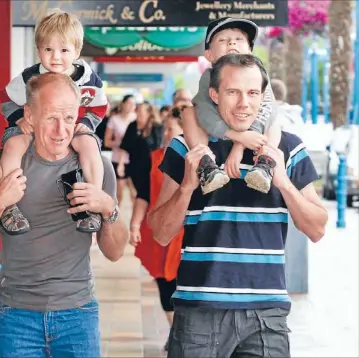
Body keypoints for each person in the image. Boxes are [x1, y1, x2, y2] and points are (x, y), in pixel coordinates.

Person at [148, 54, 328, 358]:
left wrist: (283, 182)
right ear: (215, 95)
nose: (244, 102)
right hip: (198, 313)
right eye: (233, 92)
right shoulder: (187, 147)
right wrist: (187, 187)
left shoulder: (286, 147)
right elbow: (160, 232)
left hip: (266, 315)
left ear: (264, 98)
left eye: (253, 92)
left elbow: (317, 227)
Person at [0, 73, 128, 358]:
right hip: (16, 317)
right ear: (29, 115)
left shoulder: (96, 167)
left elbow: (115, 252)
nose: (62, 130)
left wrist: (108, 207)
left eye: (69, 117)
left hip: (78, 315)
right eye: (51, 118)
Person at [0, 9, 108, 234]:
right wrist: (19, 119)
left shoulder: (88, 78)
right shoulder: (30, 77)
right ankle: (8, 206)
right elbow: (7, 99)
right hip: (34, 126)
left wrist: (87, 124)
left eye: (64, 50)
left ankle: (91, 203)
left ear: (77, 51)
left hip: (71, 128)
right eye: (48, 49)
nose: (55, 57)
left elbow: (99, 105)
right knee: (13, 145)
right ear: (38, 49)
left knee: (88, 145)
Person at [184, 17, 282, 195]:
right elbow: (204, 112)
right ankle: (206, 165)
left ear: (251, 50)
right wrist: (237, 136)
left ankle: (265, 163)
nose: (231, 42)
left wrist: (239, 145)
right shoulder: (209, 78)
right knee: (189, 112)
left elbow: (267, 109)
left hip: (254, 129)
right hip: (219, 125)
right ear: (209, 55)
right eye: (222, 40)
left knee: (274, 120)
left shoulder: (257, 74)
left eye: (239, 39)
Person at [129, 105, 186, 351]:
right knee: (165, 284)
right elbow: (143, 193)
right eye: (165, 130)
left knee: (186, 286)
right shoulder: (154, 159)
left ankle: (186, 335)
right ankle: (177, 334)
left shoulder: (203, 160)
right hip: (161, 233)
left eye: (171, 130)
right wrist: (133, 224)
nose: (165, 135)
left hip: (189, 236)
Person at [104, 94, 137, 204]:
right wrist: (121, 143)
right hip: (118, 159)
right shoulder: (114, 119)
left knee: (136, 192)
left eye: (133, 104)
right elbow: (107, 142)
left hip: (134, 159)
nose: (131, 106)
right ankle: (116, 215)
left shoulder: (136, 119)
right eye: (129, 103)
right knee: (119, 191)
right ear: (123, 104)